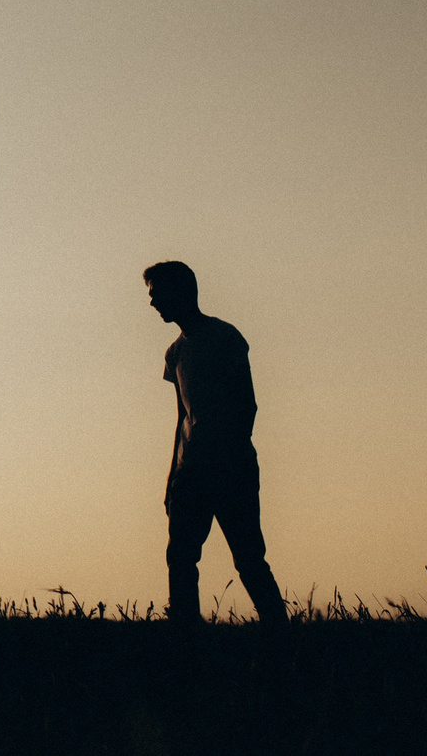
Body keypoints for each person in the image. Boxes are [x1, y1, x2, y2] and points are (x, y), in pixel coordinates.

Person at [144, 262, 287, 624]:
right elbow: (182, 418)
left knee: (248, 557)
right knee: (180, 557)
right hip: (189, 473)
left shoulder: (224, 337)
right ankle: (186, 634)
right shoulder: (175, 352)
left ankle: (281, 633)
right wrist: (172, 477)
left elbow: (247, 404)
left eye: (157, 293)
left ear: (180, 291)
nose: (153, 302)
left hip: (229, 466)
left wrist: (228, 456)